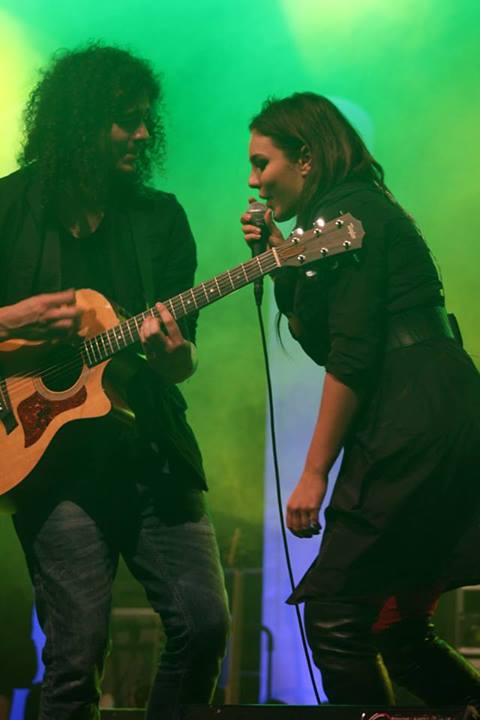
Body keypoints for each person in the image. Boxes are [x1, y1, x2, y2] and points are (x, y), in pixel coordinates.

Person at [0, 43, 229, 719]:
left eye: (146, 120)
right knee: (75, 659)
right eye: (126, 119)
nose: (143, 133)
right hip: (48, 460)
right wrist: (10, 318)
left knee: (205, 625)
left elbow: (183, 361)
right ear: (78, 122)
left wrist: (173, 355)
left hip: (148, 445)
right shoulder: (8, 208)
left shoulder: (161, 218)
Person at [241, 92, 480, 705]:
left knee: (338, 618)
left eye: (262, 163)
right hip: (436, 405)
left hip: (411, 414)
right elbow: (321, 339)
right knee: (396, 628)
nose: (254, 181)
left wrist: (314, 472)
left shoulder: (349, 214)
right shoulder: (347, 215)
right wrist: (277, 260)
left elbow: (351, 355)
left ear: (306, 158)